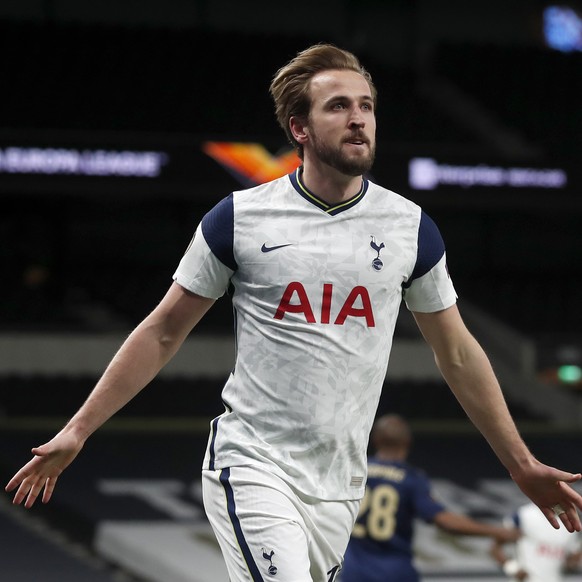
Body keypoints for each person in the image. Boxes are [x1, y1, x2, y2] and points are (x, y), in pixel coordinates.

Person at [5, 43, 582, 582]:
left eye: (366, 106)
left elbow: (456, 352)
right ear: (299, 129)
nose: (359, 118)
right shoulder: (239, 218)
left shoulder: (410, 228)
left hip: (339, 485)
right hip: (253, 462)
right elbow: (161, 331)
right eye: (338, 107)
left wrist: (520, 463)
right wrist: (77, 430)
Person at [340, 414, 521, 582]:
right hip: (395, 573)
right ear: (407, 442)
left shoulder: (357, 472)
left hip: (354, 573)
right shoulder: (411, 479)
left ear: (376, 439)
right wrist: (496, 531)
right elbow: (445, 522)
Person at [491, 501, 582, 581]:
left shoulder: (570, 522)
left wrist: (572, 562)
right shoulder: (524, 514)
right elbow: (495, 547)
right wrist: (512, 568)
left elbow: (571, 559)